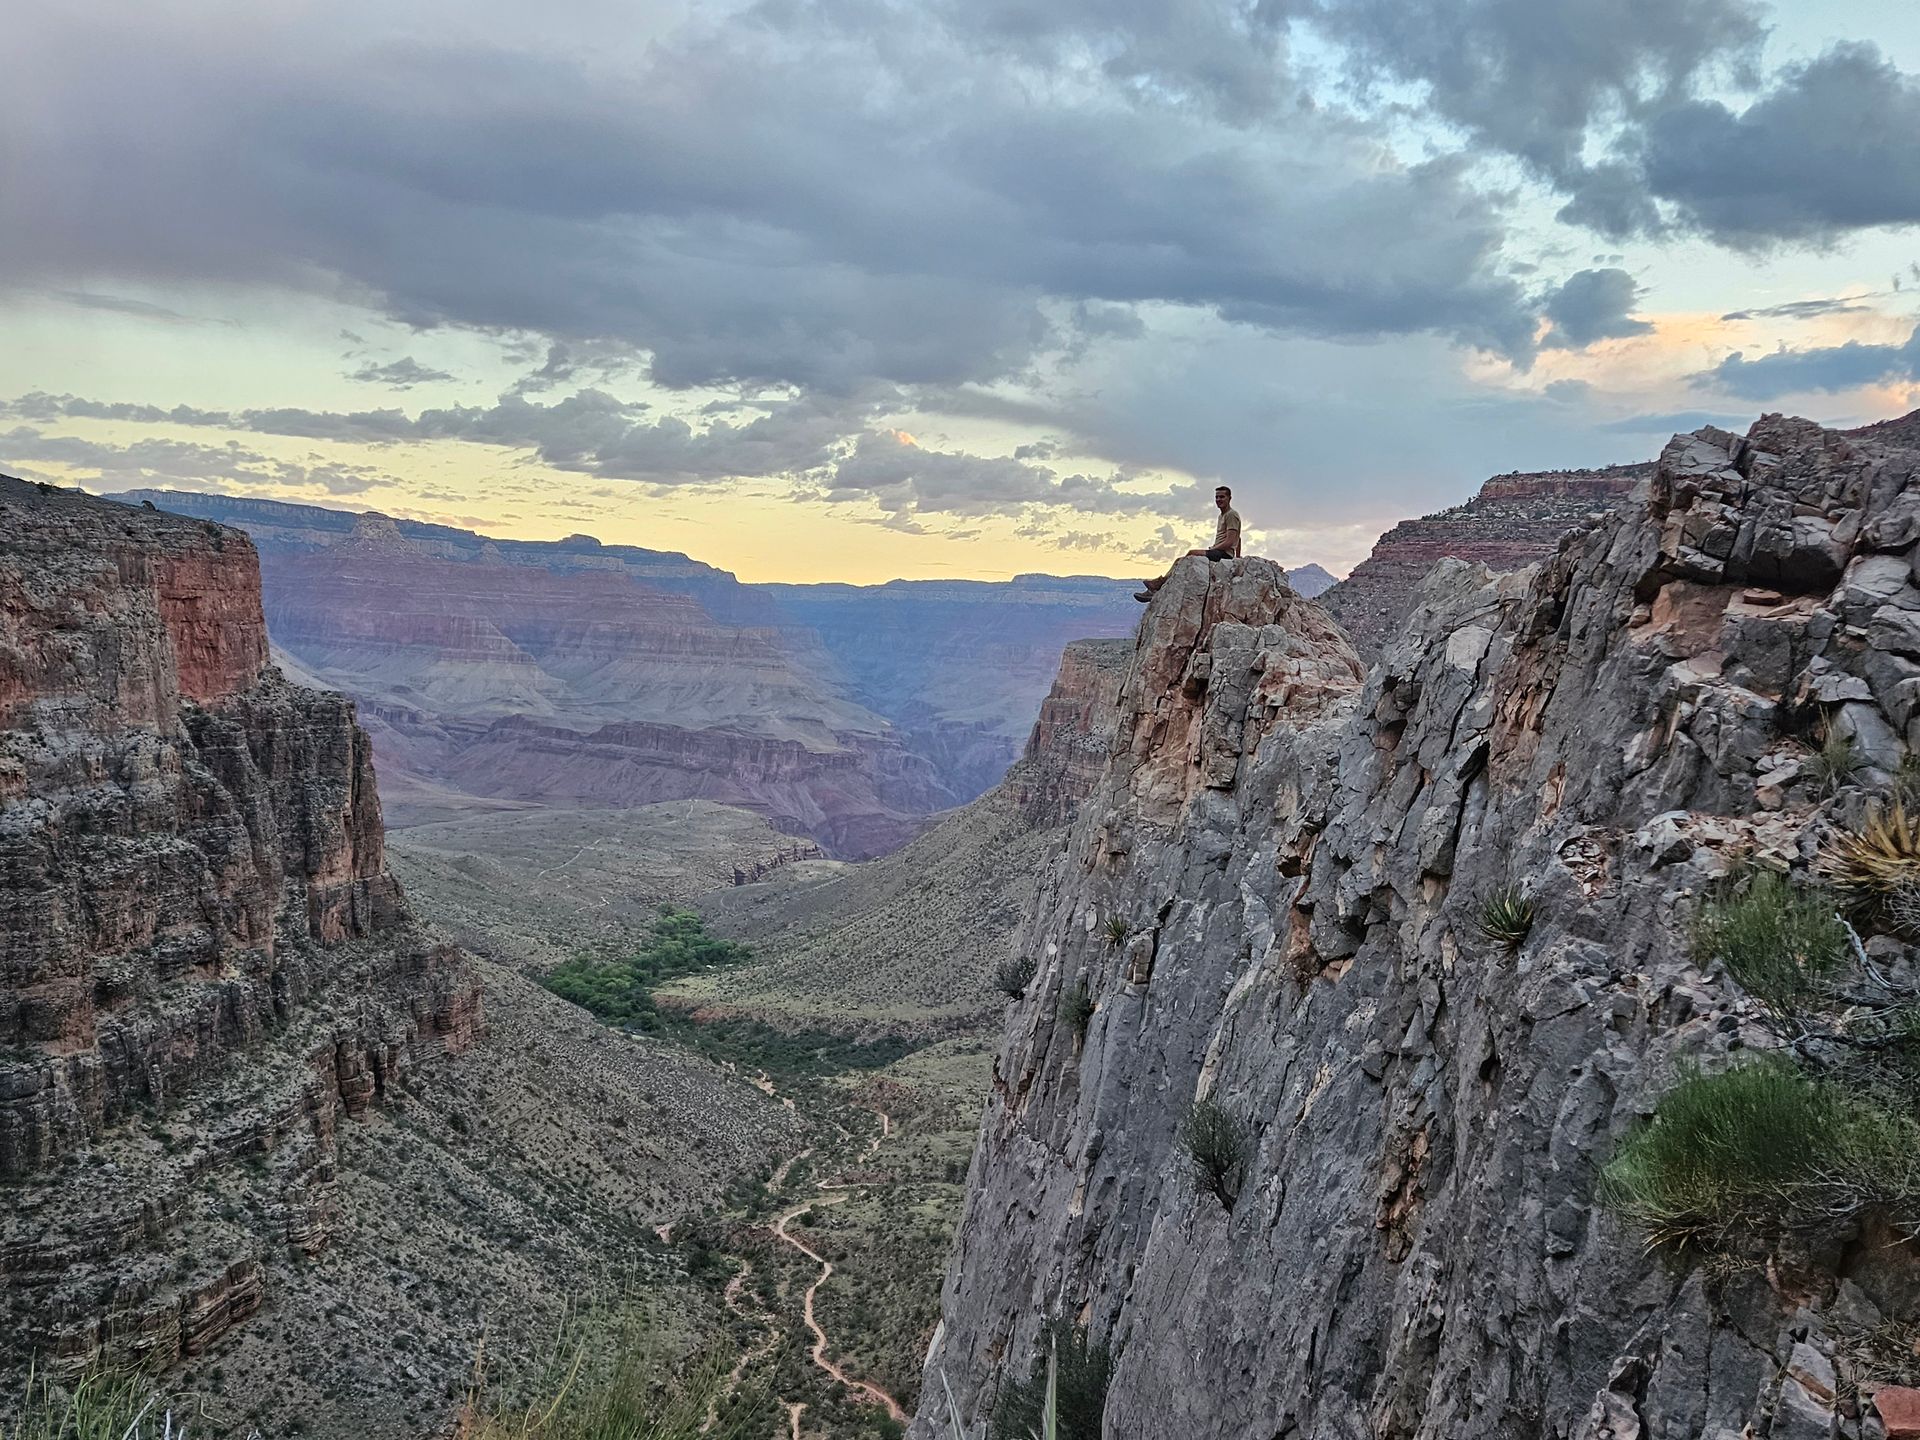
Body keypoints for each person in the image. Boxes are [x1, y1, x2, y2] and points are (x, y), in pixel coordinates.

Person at [1136, 486, 1241, 601]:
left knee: (1191, 553)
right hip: (1219, 552)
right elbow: (1238, 537)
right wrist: (1238, 556)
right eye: (1216, 497)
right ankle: (1154, 589)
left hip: (1222, 554)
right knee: (1179, 561)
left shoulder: (1231, 515)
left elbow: (1230, 541)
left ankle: (1159, 584)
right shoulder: (1222, 516)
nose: (1218, 499)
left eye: (1222, 497)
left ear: (1229, 498)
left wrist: (1215, 550)